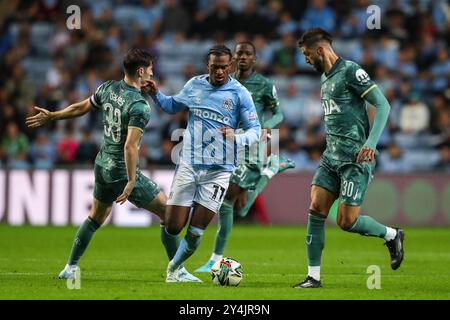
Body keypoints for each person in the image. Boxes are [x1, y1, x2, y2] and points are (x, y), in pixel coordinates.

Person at [25, 48, 199, 282]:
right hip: (120, 169)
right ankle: (176, 272)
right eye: (150, 70)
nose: (152, 73)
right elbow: (130, 146)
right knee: (169, 215)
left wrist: (53, 116)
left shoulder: (107, 87)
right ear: (140, 71)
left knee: (96, 217)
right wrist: (131, 180)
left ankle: (70, 267)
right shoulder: (139, 106)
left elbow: (80, 108)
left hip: (102, 163)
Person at [293, 28, 404, 288]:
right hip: (330, 157)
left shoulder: (351, 71)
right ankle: (313, 277)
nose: (306, 60)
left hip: (356, 159)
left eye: (307, 54)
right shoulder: (325, 78)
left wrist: (371, 143)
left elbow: (383, 104)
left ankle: (392, 234)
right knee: (316, 208)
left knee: (346, 221)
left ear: (320, 50)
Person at [142, 44, 261, 283]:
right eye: (215, 67)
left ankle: (174, 269)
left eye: (224, 67)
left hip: (218, 173)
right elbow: (172, 106)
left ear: (231, 66)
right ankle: (175, 268)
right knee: (173, 226)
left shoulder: (240, 93)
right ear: (208, 66)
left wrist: (236, 137)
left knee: (196, 232)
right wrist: (156, 93)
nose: (219, 71)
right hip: (189, 165)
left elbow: (256, 131)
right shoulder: (194, 85)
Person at [195, 41, 295, 273]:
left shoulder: (263, 84)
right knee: (238, 208)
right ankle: (272, 169)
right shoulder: (223, 82)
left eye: (247, 54)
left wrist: (267, 126)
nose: (242, 57)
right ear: (232, 58)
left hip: (251, 144)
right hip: (225, 144)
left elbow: (278, 113)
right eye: (239, 53)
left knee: (228, 199)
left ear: (254, 58)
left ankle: (215, 260)